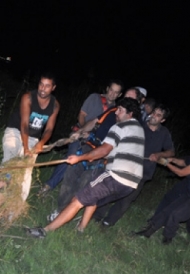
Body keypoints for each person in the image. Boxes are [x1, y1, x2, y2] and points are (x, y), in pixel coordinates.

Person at [26, 97, 144, 238]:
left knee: (78, 200)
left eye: (120, 110)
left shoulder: (120, 127)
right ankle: (80, 230)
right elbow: (115, 153)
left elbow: (104, 151)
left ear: (129, 114)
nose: (116, 113)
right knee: (92, 196)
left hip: (117, 176)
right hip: (130, 184)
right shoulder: (139, 130)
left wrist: (79, 158)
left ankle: (45, 231)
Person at [47, 88, 140, 221]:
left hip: (102, 158)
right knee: (70, 175)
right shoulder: (113, 111)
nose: (126, 101)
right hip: (89, 147)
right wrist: (80, 132)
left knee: (84, 183)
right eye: (126, 97)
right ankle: (60, 209)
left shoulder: (133, 125)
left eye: (131, 99)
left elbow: (112, 150)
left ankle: (70, 214)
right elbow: (95, 121)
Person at [94, 104, 175, 227]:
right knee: (110, 191)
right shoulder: (138, 126)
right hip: (125, 165)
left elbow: (171, 152)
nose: (153, 116)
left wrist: (159, 154)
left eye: (158, 115)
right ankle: (97, 216)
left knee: (127, 198)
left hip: (143, 172)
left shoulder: (164, 133)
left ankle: (108, 222)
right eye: (153, 112)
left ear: (163, 120)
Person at [38, 80, 123, 196]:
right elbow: (81, 115)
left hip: (94, 142)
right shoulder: (94, 98)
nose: (112, 94)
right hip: (80, 133)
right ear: (107, 88)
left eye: (116, 92)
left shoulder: (117, 111)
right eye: (111, 90)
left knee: (84, 165)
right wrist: (83, 131)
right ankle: (48, 186)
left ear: (119, 95)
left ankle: (69, 192)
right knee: (71, 157)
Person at [132, 135, 190, 245]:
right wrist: (172, 159)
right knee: (167, 210)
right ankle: (147, 232)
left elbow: (181, 173)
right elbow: (184, 162)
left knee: (176, 214)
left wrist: (166, 163)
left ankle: (167, 239)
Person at [2, 73, 60, 163]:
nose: (43, 88)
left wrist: (41, 143)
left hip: (33, 137)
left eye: (47, 86)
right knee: (9, 158)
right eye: (41, 84)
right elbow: (24, 125)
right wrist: (26, 148)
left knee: (26, 168)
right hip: (16, 130)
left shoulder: (55, 105)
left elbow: (49, 129)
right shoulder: (28, 98)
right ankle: (3, 175)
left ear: (53, 88)